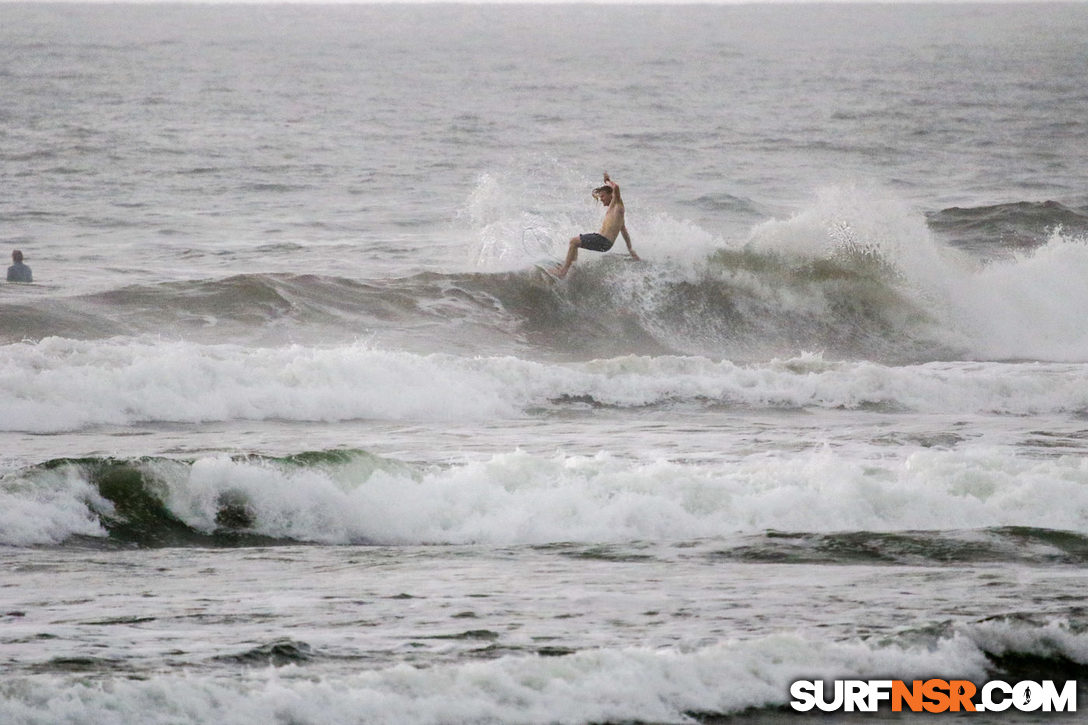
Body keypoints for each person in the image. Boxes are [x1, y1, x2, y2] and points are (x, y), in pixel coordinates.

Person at [553, 172, 639, 278]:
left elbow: (616, 187)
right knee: (575, 244)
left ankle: (563, 272)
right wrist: (630, 249)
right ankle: (572, 268)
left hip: (603, 240)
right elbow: (624, 231)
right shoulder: (617, 213)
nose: (601, 199)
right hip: (605, 243)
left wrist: (607, 181)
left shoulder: (617, 204)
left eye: (602, 196)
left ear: (611, 195)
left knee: (573, 241)